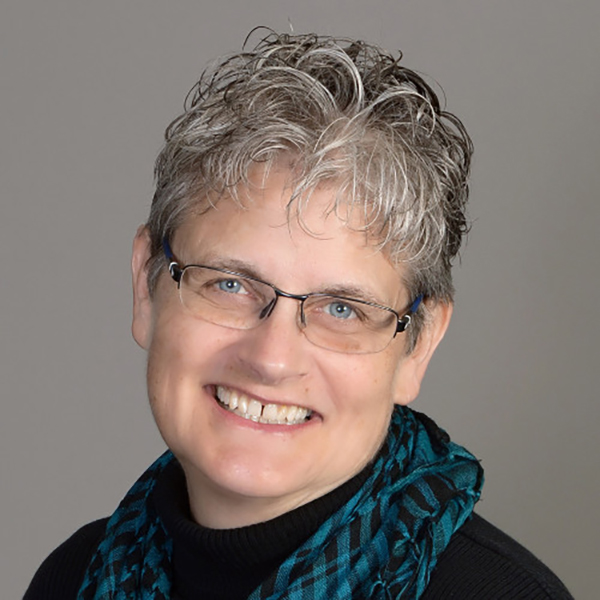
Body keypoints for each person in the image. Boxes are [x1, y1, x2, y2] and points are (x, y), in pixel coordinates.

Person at [25, 31, 573, 599]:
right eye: (231, 284)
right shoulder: (72, 579)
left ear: (419, 344)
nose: (271, 359)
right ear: (147, 284)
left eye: (343, 308)